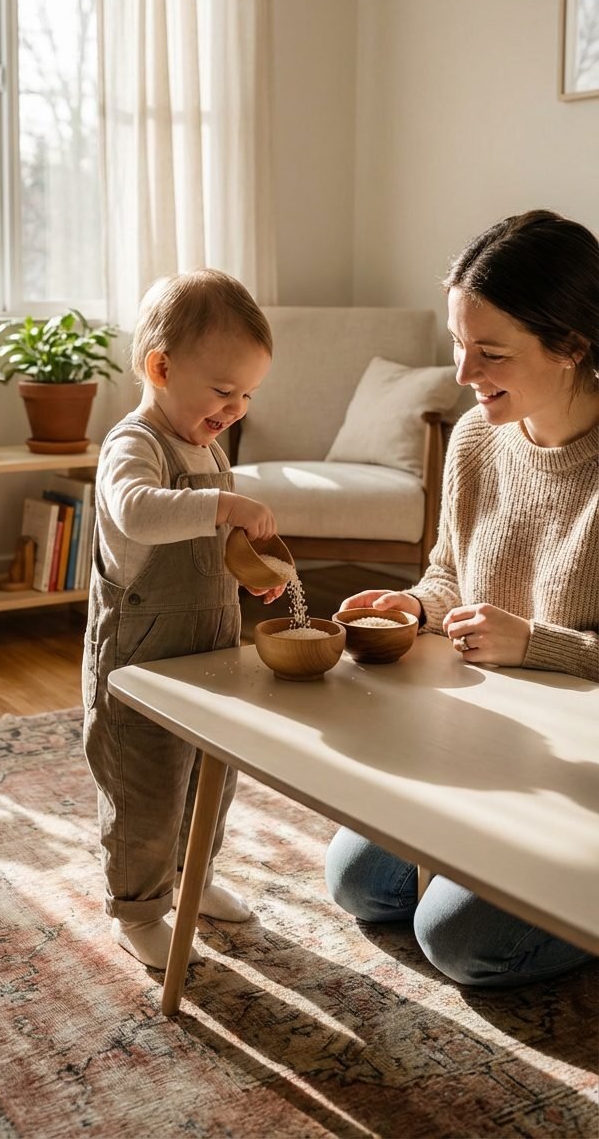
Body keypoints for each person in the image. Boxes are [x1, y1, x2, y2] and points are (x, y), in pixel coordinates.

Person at [325, 209, 599, 988]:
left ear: (573, 345)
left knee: (460, 943)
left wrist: (539, 644)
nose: (462, 372)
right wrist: (413, 607)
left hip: (585, 765)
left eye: (491, 352)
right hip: (497, 740)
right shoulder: (478, 439)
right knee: (359, 883)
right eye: (457, 342)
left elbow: (526, 634)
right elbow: (451, 574)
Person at [83, 269, 285, 970]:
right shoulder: (133, 445)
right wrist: (228, 507)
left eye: (248, 396)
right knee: (145, 787)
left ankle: (193, 874)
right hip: (140, 656)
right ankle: (138, 907)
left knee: (210, 776)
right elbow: (137, 510)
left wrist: (250, 572)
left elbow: (207, 545)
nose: (236, 408)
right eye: (224, 391)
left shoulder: (209, 447)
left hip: (207, 650)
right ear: (161, 368)